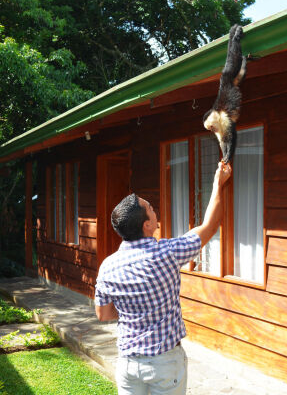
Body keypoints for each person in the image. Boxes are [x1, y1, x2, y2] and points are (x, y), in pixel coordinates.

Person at [94, 161, 232, 395]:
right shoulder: (166, 253)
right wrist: (218, 183)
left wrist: (134, 307)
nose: (155, 210)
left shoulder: (108, 266)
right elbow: (210, 226)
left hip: (128, 364)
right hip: (165, 363)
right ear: (147, 225)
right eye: (151, 208)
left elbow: (103, 314)